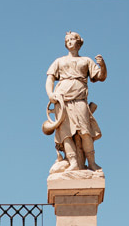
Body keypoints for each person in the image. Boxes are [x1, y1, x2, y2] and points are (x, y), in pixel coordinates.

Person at [42, 32, 106, 173]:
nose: (70, 42)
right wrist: (50, 94)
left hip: (80, 99)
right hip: (62, 101)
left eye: (72, 39)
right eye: (67, 40)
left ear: (79, 42)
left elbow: (100, 76)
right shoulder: (59, 61)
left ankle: (92, 162)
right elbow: (50, 79)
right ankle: (73, 162)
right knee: (65, 134)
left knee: (85, 132)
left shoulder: (86, 61)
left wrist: (102, 65)